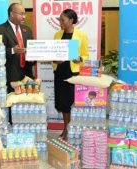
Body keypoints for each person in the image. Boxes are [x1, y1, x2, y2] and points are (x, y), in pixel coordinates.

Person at [0, 3, 34, 124]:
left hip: (26, 74)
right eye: (21, 14)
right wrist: (12, 50)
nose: (24, 17)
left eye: (24, 14)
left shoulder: (27, 30)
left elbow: (32, 50)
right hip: (11, 74)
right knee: (12, 106)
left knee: (26, 104)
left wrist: (33, 58)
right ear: (12, 14)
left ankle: (25, 127)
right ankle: (12, 129)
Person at [53, 9, 89, 139]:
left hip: (73, 73)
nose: (60, 22)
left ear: (71, 20)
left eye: (62, 20)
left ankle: (74, 130)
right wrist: (55, 60)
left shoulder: (81, 35)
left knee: (73, 103)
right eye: (60, 20)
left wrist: (79, 58)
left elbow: (85, 55)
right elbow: (53, 54)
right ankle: (66, 129)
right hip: (60, 72)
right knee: (63, 103)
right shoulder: (57, 35)